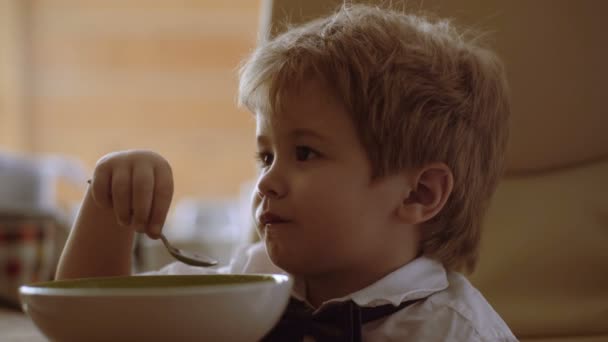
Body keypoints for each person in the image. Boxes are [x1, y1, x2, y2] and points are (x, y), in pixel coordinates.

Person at [56, 3, 517, 341]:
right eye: (265, 156)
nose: (266, 181)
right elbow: (89, 325)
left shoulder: (456, 332)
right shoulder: (248, 281)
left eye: (305, 153)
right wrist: (106, 205)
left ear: (419, 193)